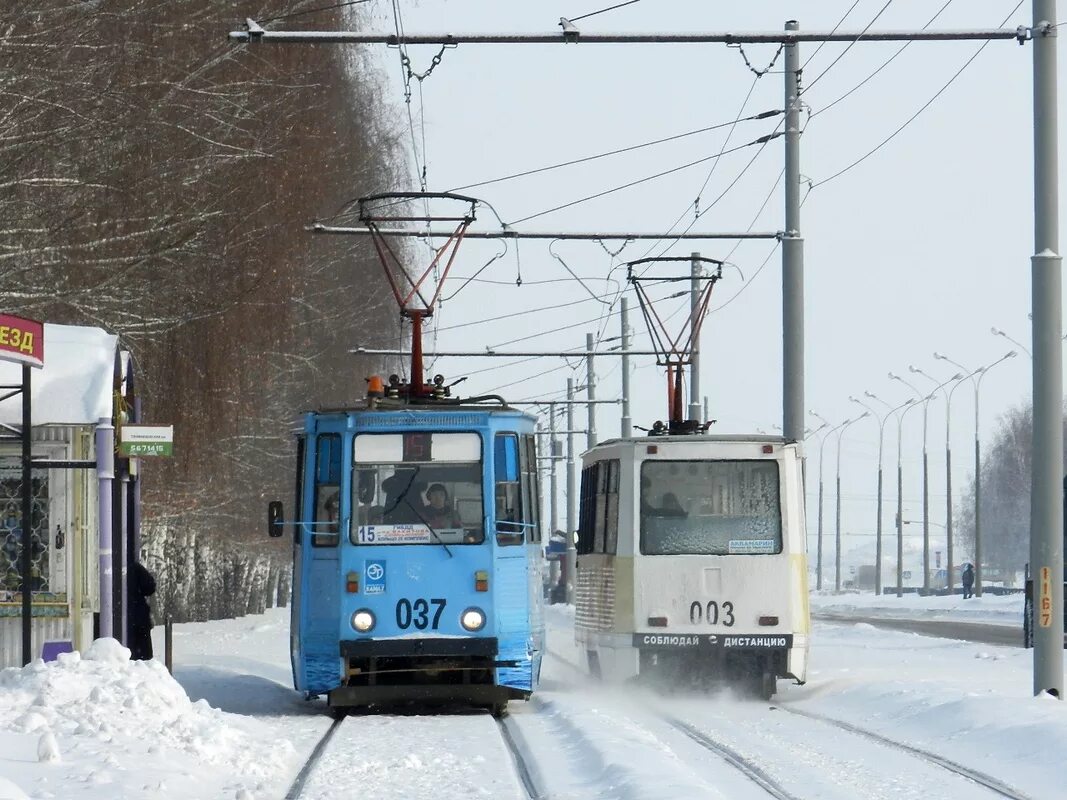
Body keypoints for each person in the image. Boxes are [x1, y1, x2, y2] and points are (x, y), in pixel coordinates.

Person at [128, 560, 156, 660]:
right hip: (139, 618)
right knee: (143, 657)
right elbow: (150, 586)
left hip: (125, 618)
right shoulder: (134, 567)